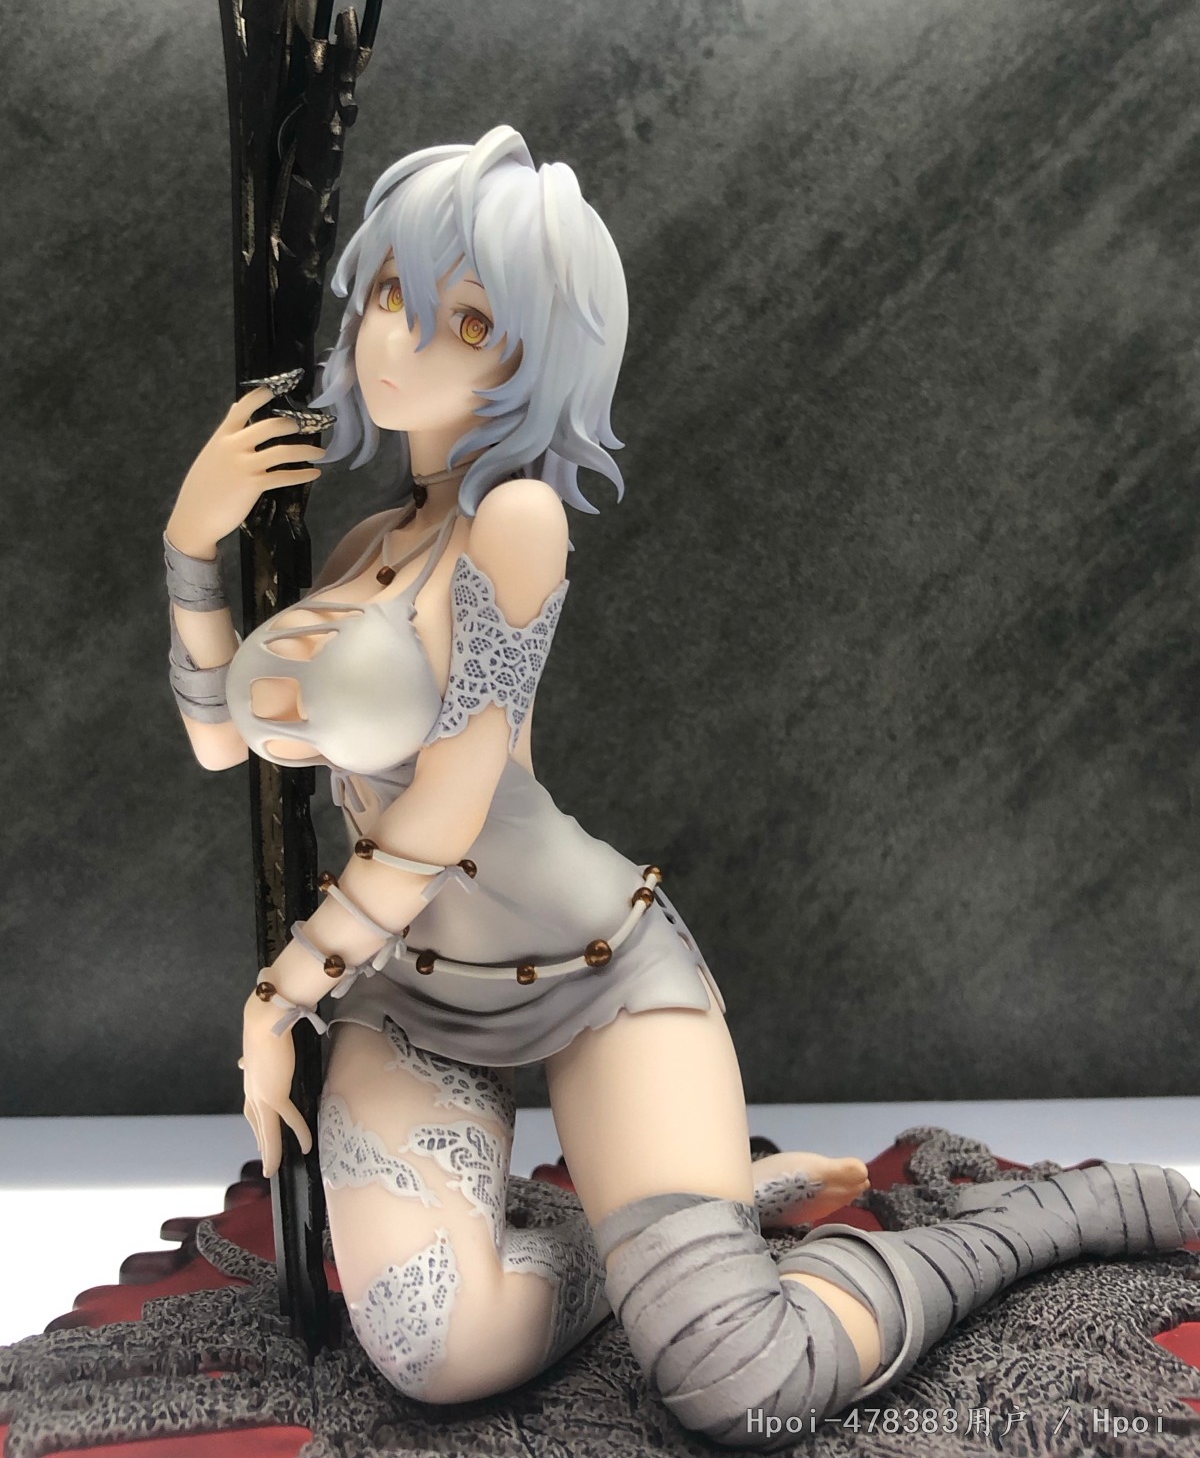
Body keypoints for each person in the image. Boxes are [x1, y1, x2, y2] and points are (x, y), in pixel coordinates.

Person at [163, 125, 1199, 1448]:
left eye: (467, 320)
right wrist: (190, 540)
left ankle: (1043, 1217)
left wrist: (281, 992)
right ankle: (696, 1221)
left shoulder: (516, 522)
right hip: (413, 994)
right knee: (432, 1353)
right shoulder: (369, 541)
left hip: (595, 969)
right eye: (390, 294)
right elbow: (224, 741)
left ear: (534, 358)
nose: (400, 338)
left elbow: (452, 800)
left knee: (742, 1382)